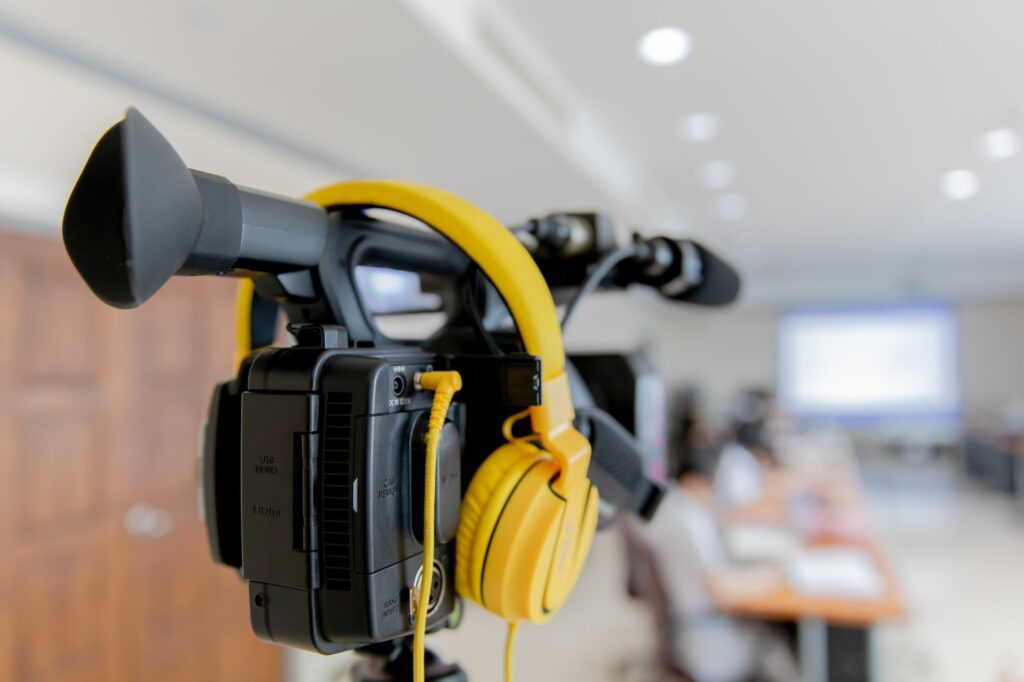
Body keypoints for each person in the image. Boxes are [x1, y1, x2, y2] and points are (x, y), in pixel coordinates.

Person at [632, 467, 800, 682]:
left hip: (688, 624)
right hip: (708, 638)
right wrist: (776, 578)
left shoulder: (671, 507)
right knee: (780, 644)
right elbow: (720, 591)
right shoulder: (690, 518)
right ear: (696, 481)